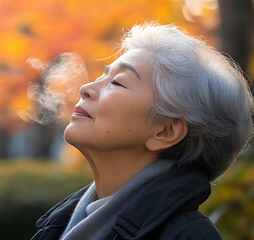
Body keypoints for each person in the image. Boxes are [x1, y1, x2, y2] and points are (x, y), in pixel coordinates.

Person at [31, 22, 253, 240]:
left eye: (117, 83)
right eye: (102, 76)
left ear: (166, 131)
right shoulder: (56, 227)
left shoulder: (189, 236)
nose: (85, 89)